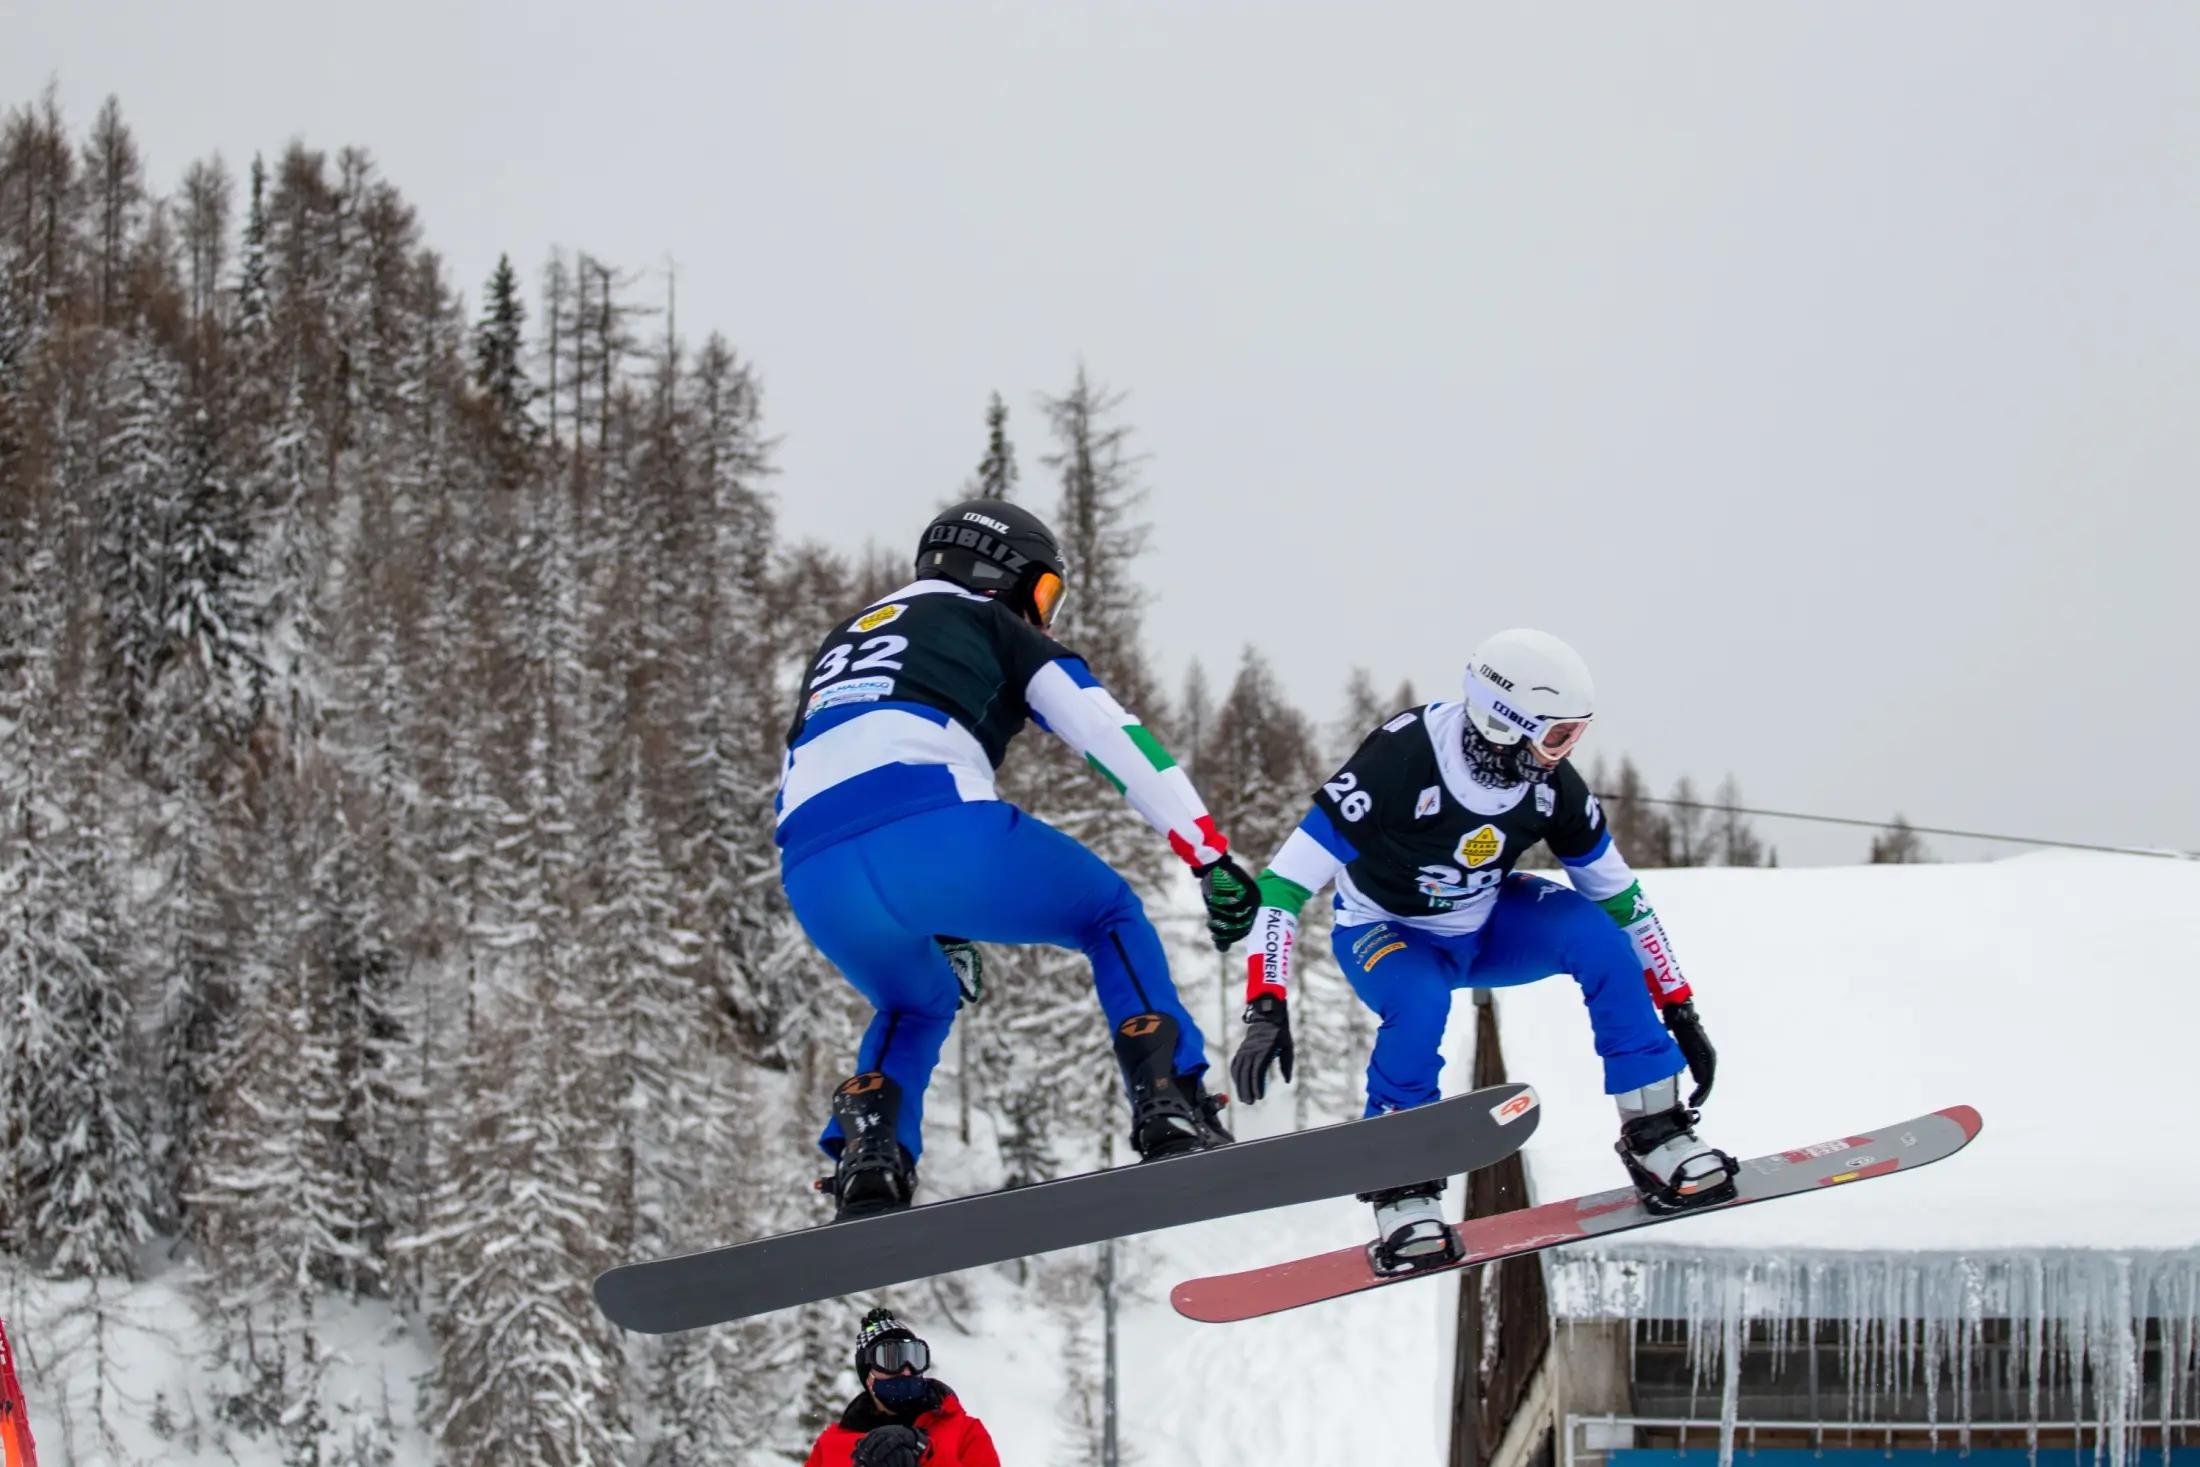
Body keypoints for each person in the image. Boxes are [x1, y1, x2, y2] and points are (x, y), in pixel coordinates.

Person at [780, 499, 1259, 1218]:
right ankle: (1171, 1097)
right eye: (1044, 594)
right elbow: (1109, 731)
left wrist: (935, 918)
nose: (1047, 615)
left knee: (913, 1002)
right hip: (934, 820)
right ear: (1001, 575)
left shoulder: (842, 642)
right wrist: (1206, 849)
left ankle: (870, 1155)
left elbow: (829, 768)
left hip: (813, 868)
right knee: (1109, 914)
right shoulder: (989, 620)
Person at [1227, 628, 1735, 1267]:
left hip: (1488, 923)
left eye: (1575, 735)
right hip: (1388, 933)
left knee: (1600, 939)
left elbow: (1623, 900)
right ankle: (1402, 1185)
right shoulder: (1401, 759)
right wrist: (1265, 1004)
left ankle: (1654, 1129)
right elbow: (1281, 884)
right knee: (1419, 1003)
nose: (1565, 752)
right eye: (1557, 735)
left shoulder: (1553, 788)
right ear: (1505, 722)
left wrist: (1679, 1006)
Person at [804, 1307, 1001, 1467]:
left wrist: (925, 1456)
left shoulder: (963, 1431)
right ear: (868, 1376)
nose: (906, 1371)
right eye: (891, 1359)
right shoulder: (831, 1445)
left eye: (914, 1357)